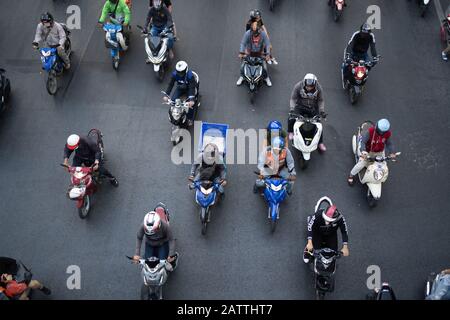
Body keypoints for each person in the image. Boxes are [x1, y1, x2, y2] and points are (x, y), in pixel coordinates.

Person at [348, 119, 396, 185]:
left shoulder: (387, 134)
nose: (380, 132)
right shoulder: (370, 131)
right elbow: (363, 142)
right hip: (368, 152)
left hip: (379, 152)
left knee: (383, 166)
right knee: (361, 164)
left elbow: (389, 144)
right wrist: (364, 152)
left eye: (382, 132)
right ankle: (351, 175)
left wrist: (392, 152)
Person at [288, 73, 327, 152]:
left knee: (319, 124)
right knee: (291, 118)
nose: (309, 88)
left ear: (315, 84)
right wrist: (292, 109)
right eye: (307, 86)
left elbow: (320, 100)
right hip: (300, 106)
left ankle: (320, 142)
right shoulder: (298, 86)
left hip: (313, 108)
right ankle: (291, 131)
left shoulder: (319, 88)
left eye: (311, 86)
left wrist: (322, 111)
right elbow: (293, 98)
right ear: (304, 83)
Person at [237, 21, 272, 87]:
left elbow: (267, 44)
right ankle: (242, 76)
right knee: (242, 66)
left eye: (256, 33)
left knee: (264, 67)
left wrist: (267, 54)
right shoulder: (248, 34)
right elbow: (243, 43)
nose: (254, 34)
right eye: (253, 32)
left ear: (259, 31)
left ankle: (266, 78)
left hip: (259, 53)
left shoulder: (263, 34)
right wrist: (241, 53)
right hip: (249, 52)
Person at [163, 61, 199, 126]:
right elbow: (171, 84)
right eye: (178, 72)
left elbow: (191, 88)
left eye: (181, 72)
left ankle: (190, 119)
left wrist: (191, 100)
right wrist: (166, 95)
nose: (180, 73)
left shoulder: (190, 76)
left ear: (186, 69)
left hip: (189, 89)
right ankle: (175, 115)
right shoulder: (174, 74)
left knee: (191, 106)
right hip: (180, 88)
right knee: (173, 101)